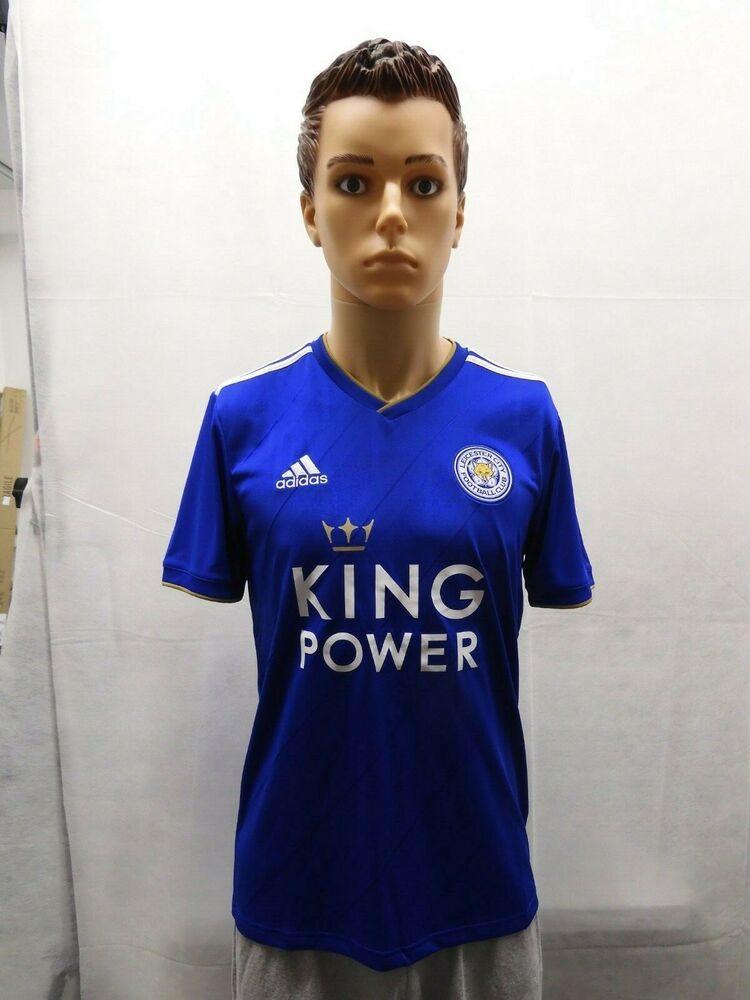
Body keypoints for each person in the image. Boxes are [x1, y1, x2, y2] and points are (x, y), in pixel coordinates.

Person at [162, 37, 595, 1000]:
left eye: (424, 184)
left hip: (478, 889)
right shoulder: (241, 420)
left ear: (460, 212)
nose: (392, 213)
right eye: (354, 182)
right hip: (297, 892)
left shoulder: (524, 419)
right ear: (309, 211)